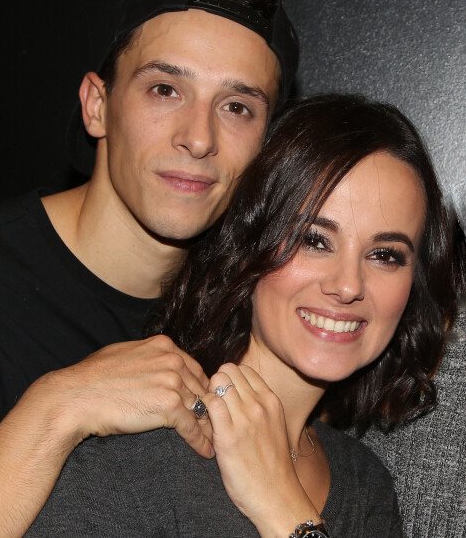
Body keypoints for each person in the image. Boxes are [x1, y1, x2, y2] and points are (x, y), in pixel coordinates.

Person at [0, 0, 299, 535]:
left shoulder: (257, 312)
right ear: (97, 105)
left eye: (237, 107)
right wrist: (60, 407)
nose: (198, 137)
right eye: (164, 89)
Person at [26, 93, 463, 537]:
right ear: (247, 244)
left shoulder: (363, 483)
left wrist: (283, 506)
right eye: (314, 240)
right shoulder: (134, 463)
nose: (348, 285)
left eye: (385, 254)